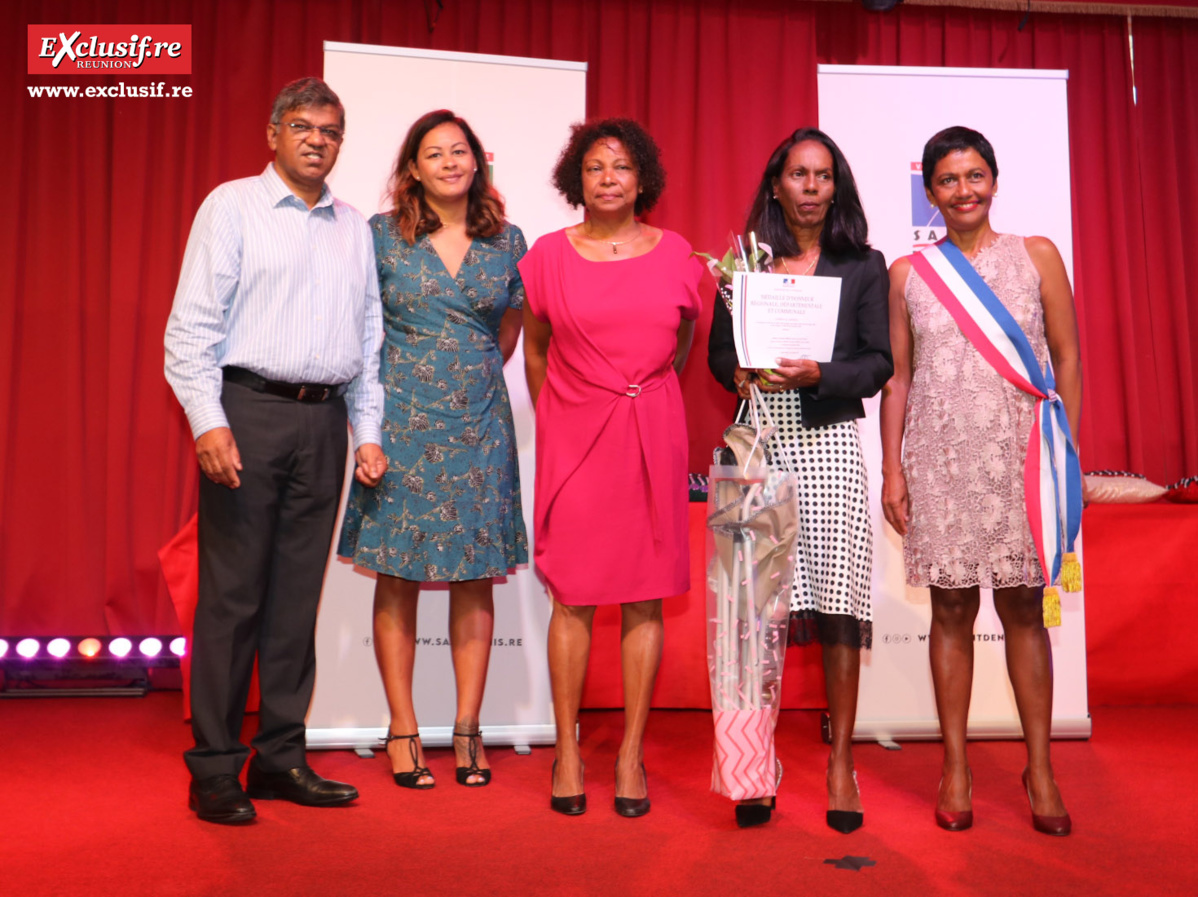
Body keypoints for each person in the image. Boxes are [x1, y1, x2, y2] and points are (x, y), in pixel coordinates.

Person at [164, 77, 386, 824]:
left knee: (296, 602)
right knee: (232, 600)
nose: (317, 139)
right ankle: (217, 767)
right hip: (247, 414)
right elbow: (190, 329)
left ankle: (281, 757)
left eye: (331, 129)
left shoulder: (355, 227)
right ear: (273, 133)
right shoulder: (232, 207)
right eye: (302, 126)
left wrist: (369, 433)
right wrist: (207, 420)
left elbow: (369, 342)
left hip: (323, 424)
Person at [879, 126, 1081, 836]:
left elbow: (1068, 357)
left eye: (974, 176)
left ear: (993, 180)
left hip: (1021, 459)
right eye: (947, 180)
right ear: (929, 191)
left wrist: (1064, 455)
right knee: (952, 610)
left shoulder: (1037, 256)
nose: (963, 191)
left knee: (1026, 608)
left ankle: (1041, 766)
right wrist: (894, 468)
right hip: (939, 461)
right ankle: (956, 765)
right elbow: (899, 380)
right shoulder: (909, 273)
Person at [708, 127, 892, 830]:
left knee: (839, 605)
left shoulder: (863, 265)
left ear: (835, 186)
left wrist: (821, 374)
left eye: (823, 176)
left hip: (830, 439)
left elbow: (878, 363)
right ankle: (753, 765)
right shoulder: (743, 264)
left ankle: (840, 762)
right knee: (750, 615)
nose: (811, 187)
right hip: (755, 440)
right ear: (776, 184)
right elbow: (720, 357)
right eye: (798, 175)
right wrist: (741, 368)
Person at [337, 110, 527, 789]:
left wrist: (467, 368)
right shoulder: (380, 236)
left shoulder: (508, 240)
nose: (449, 162)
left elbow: (510, 328)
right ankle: (403, 727)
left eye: (460, 151)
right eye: (433, 153)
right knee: (398, 573)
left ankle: (469, 729)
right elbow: (361, 334)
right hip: (400, 426)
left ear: (478, 161)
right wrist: (369, 431)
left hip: (481, 426)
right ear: (413, 167)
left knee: (475, 574)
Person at [520, 118, 703, 817]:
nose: (607, 178)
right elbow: (536, 347)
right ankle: (567, 748)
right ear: (576, 178)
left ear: (642, 178)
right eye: (595, 167)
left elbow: (681, 340)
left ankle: (630, 752)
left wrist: (640, 394)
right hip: (575, 434)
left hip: (649, 430)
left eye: (621, 167)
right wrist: (562, 414)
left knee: (644, 595)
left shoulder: (680, 254)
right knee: (573, 592)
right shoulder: (546, 256)